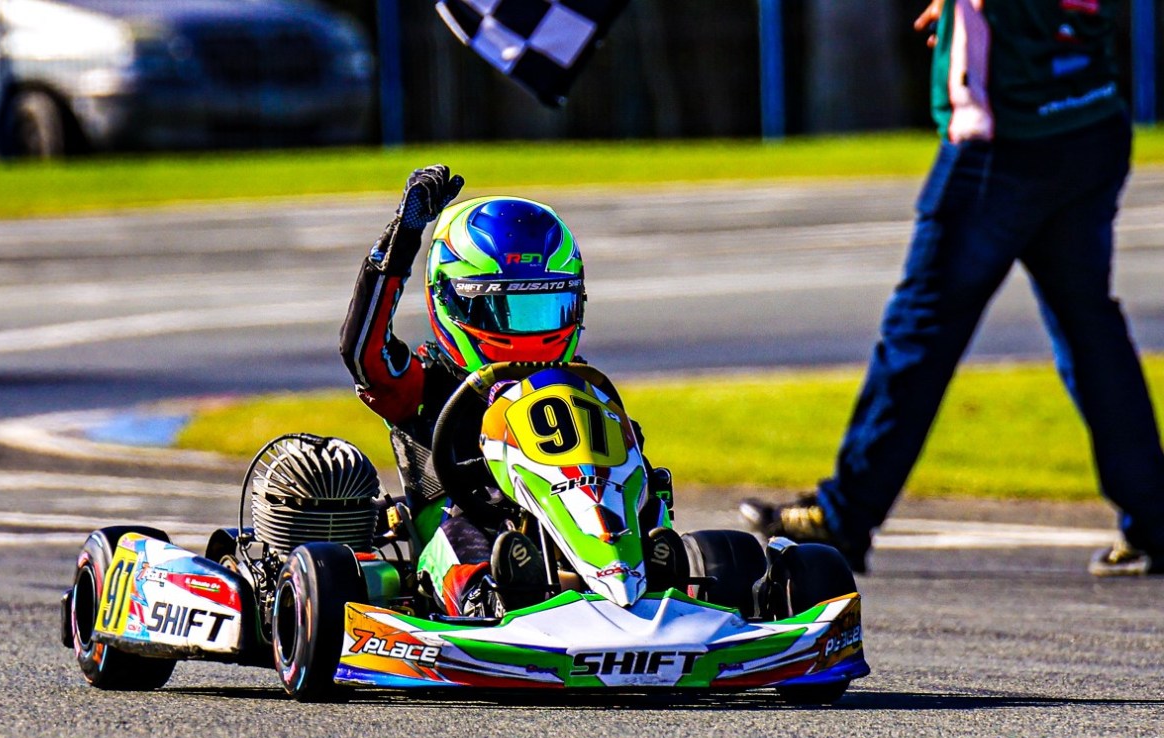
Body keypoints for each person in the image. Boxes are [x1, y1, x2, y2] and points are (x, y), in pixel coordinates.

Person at [741, 0, 1164, 576]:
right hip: (1087, 117)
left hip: (1008, 137)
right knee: (1090, 330)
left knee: (920, 331)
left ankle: (846, 513)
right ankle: (1154, 516)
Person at [341, 165, 677, 617]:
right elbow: (362, 351)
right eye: (504, 310)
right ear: (452, 300)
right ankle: (488, 600)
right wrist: (403, 238)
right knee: (464, 536)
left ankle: (666, 580)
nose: (527, 330)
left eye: (544, 307)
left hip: (583, 523)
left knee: (652, 505)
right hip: (466, 523)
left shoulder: (582, 385)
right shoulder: (427, 380)